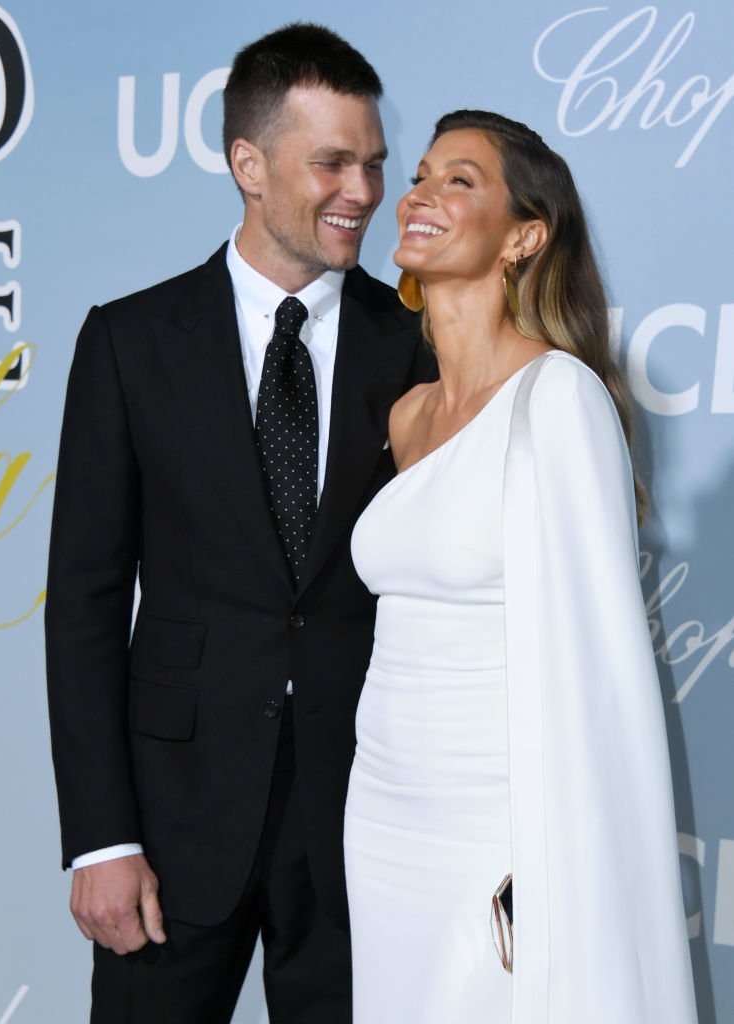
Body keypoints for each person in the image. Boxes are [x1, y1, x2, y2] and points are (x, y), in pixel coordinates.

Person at [45, 23, 434, 1024]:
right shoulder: (131, 341)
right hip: (171, 821)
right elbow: (84, 602)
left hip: (363, 818)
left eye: (375, 164)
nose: (362, 189)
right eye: (333, 162)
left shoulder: (418, 349)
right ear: (248, 165)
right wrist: (101, 839)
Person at [344, 110, 698, 1023]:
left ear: (525, 236)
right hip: (383, 815)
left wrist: (557, 867)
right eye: (419, 175)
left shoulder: (558, 397)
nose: (420, 194)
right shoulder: (405, 416)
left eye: (460, 180)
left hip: (496, 825)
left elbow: (600, 674)